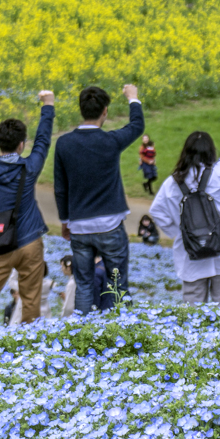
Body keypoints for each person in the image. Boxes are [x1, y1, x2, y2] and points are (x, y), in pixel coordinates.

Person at [149, 105, 220, 304]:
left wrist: (179, 232)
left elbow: (156, 211)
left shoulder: (173, 183)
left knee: (192, 312)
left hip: (191, 256)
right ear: (210, 152)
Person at [54, 83, 146, 314]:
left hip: (80, 227)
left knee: (84, 285)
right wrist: (132, 98)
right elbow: (137, 125)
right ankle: (120, 334)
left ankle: (85, 333)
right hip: (111, 226)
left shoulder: (64, 144)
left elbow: (60, 188)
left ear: (81, 109)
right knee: (118, 285)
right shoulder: (111, 141)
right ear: (105, 111)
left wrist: (65, 221)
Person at [0, 95, 56, 322]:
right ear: (21, 145)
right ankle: (29, 349)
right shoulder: (29, 168)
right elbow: (43, 141)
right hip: (30, 242)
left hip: (0, 244)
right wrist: (48, 106)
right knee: (31, 299)